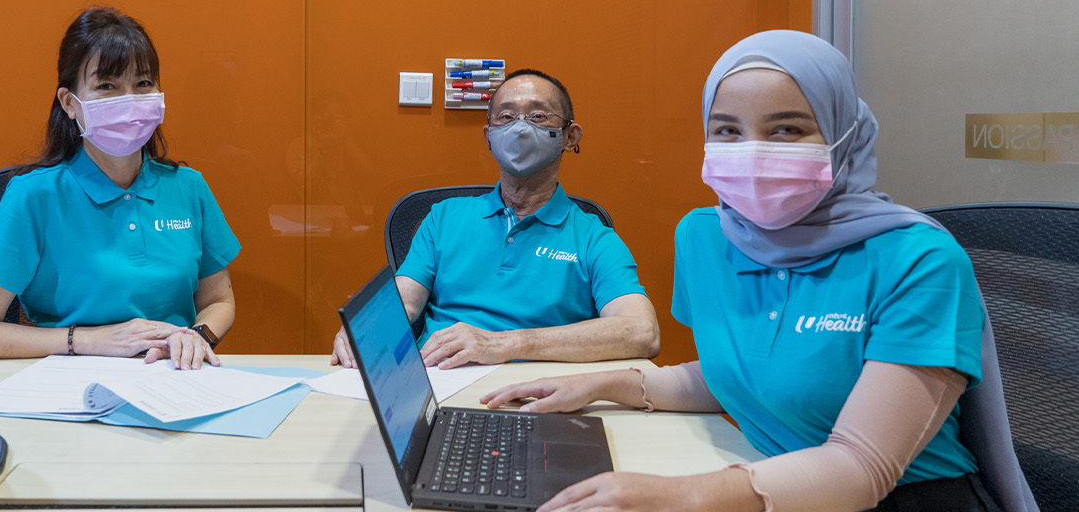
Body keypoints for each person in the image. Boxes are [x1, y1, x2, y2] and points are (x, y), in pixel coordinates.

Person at [483, 31, 1034, 512]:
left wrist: (682, 496)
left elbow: (862, 467)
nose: (752, 151)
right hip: (764, 478)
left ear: (845, 134)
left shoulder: (918, 261)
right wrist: (605, 385)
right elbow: (740, 378)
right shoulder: (704, 236)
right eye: (727, 130)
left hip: (899, 500)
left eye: (788, 129)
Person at [0, 7, 240, 370]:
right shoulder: (34, 196)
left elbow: (220, 299)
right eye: (107, 86)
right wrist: (87, 340)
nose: (128, 100)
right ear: (69, 103)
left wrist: (197, 336)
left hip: (173, 379)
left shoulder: (189, 187)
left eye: (143, 84)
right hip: (68, 381)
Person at [331, 68, 660, 369]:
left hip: (538, 396)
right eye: (506, 116)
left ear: (569, 136)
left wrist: (508, 344)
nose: (519, 127)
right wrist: (366, 329)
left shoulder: (592, 237)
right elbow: (405, 299)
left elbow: (643, 333)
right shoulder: (443, 217)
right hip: (438, 383)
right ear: (489, 136)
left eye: (537, 116)